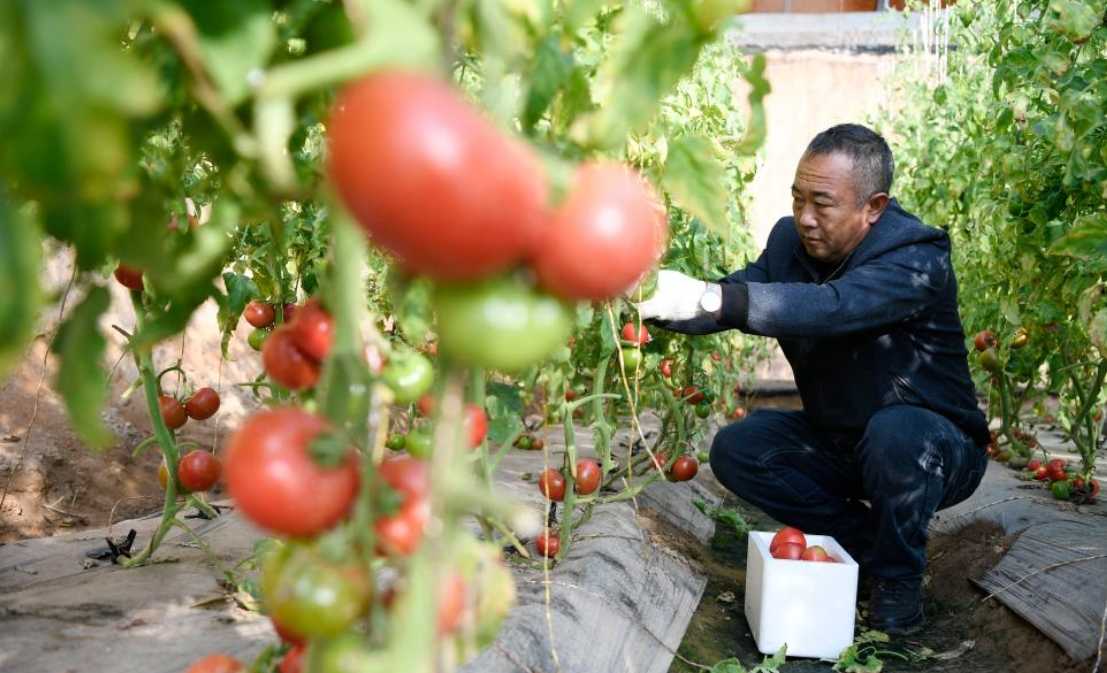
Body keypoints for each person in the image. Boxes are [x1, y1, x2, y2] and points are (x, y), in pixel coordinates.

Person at [636, 123, 989, 635]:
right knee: (739, 448)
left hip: (933, 449)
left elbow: (836, 307)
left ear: (874, 207)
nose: (805, 218)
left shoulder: (917, 258)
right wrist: (648, 298)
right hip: (840, 441)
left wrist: (716, 298)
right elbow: (735, 296)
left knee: (897, 435)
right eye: (797, 198)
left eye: (822, 203)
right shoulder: (790, 243)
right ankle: (869, 548)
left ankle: (897, 585)